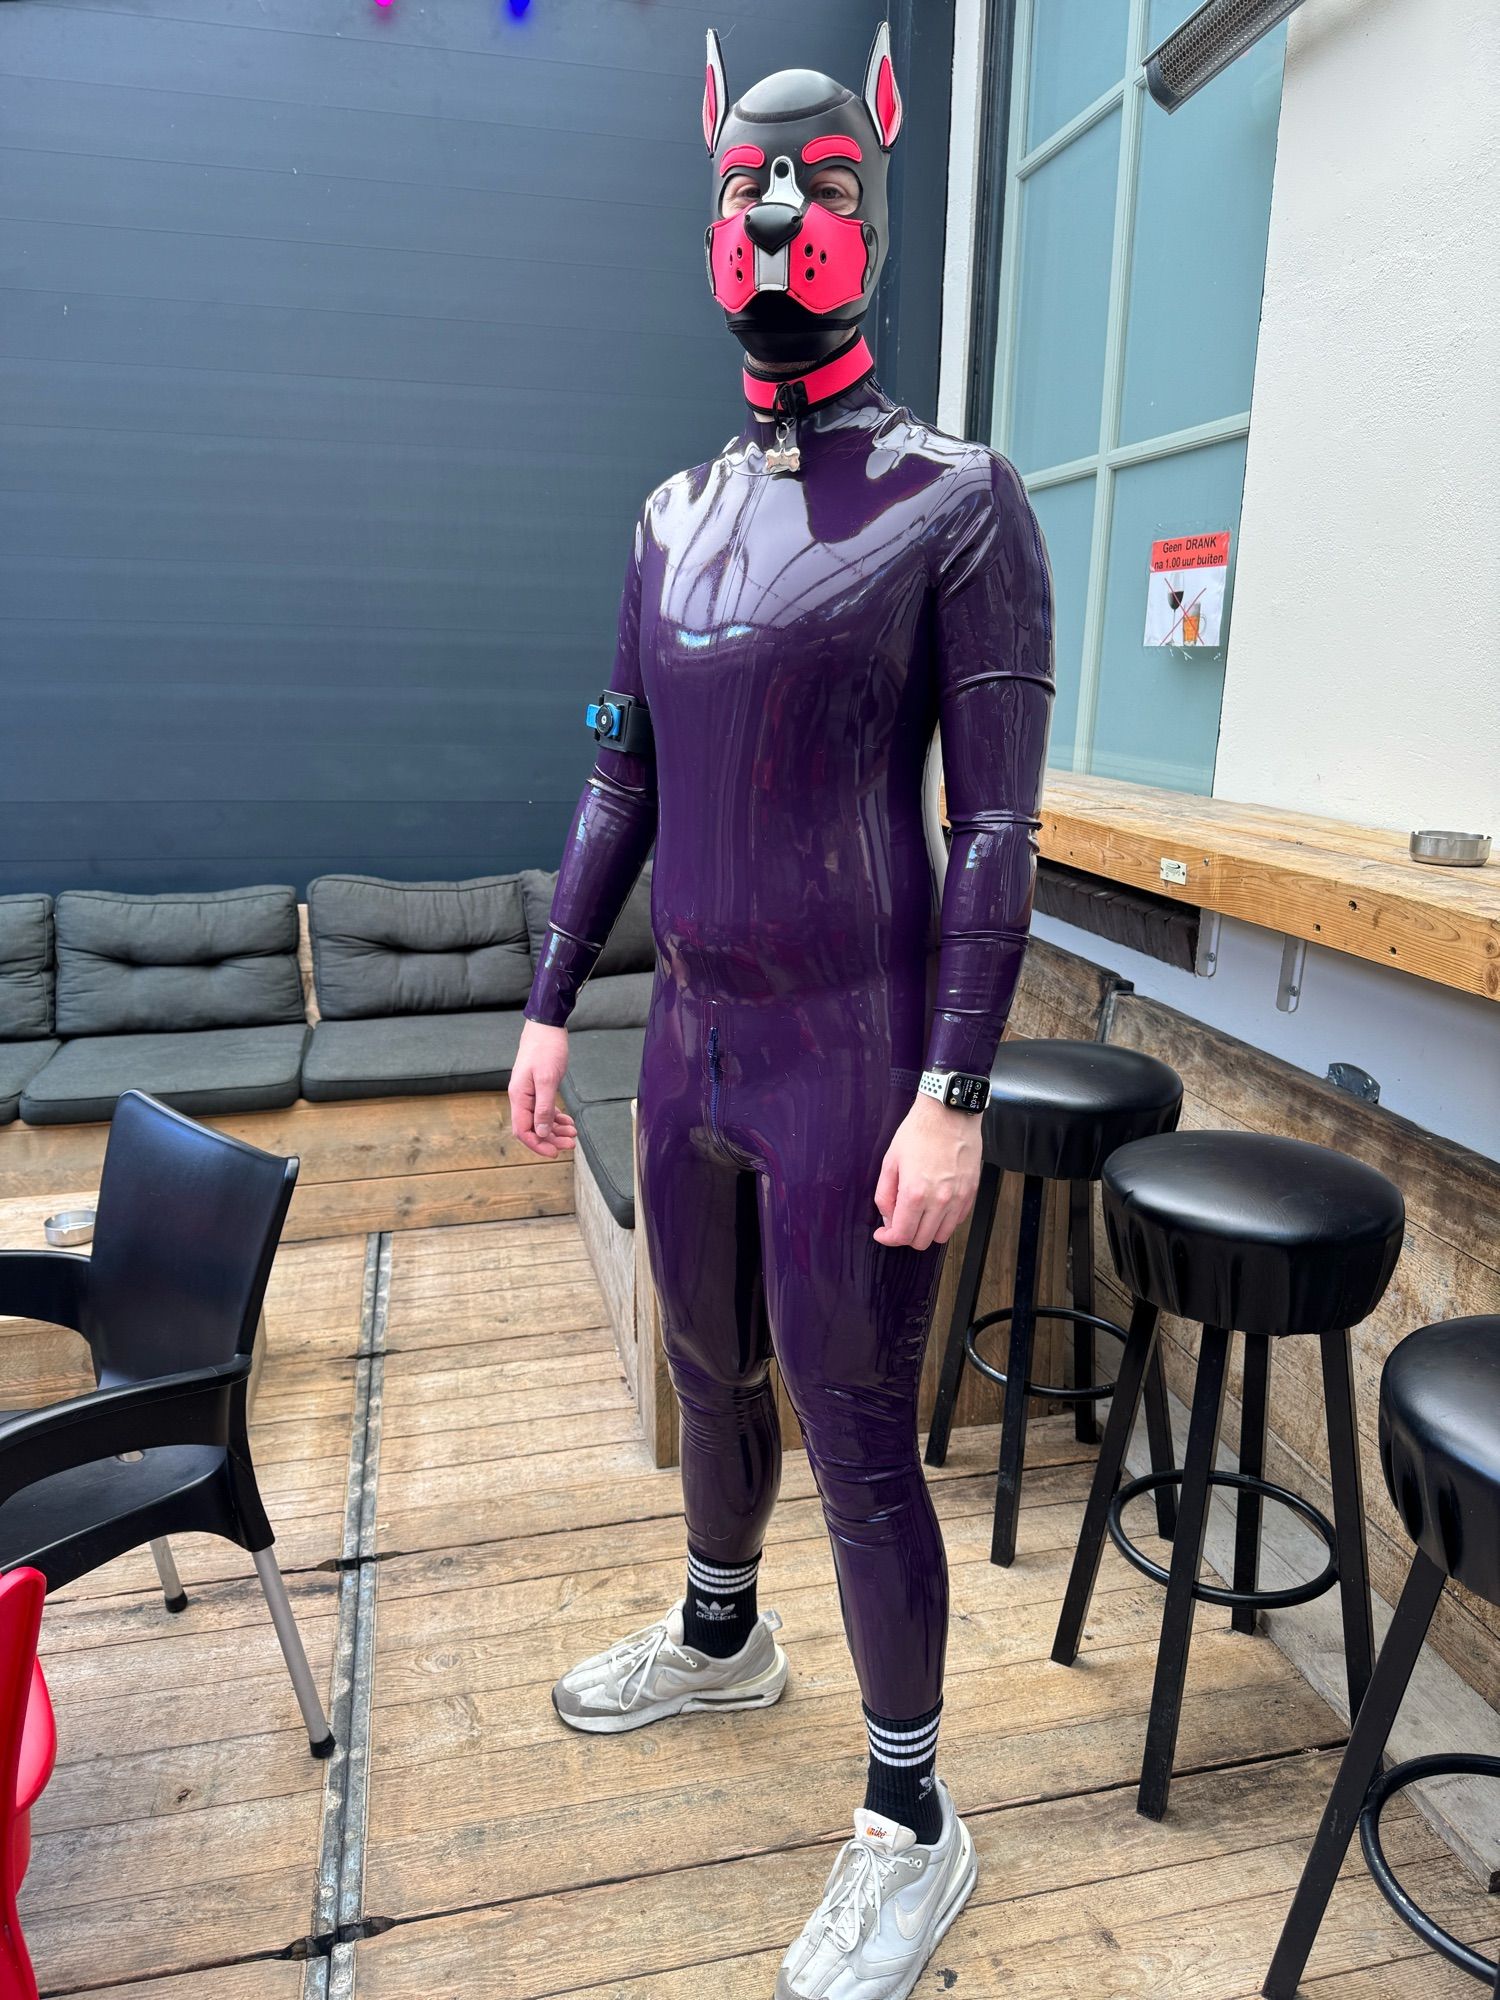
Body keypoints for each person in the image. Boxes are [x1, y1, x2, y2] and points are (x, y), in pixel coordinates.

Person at [508, 23, 1054, 1997]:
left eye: (817, 180)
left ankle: (916, 1819)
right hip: (693, 1043)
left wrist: (955, 1087)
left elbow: (997, 819)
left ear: (876, 198)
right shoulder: (666, 518)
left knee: (860, 1426)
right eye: (749, 178)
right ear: (706, 202)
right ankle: (724, 1632)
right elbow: (623, 776)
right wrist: (557, 996)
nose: (775, 210)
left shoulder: (961, 501)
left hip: (853, 1045)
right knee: (705, 1364)